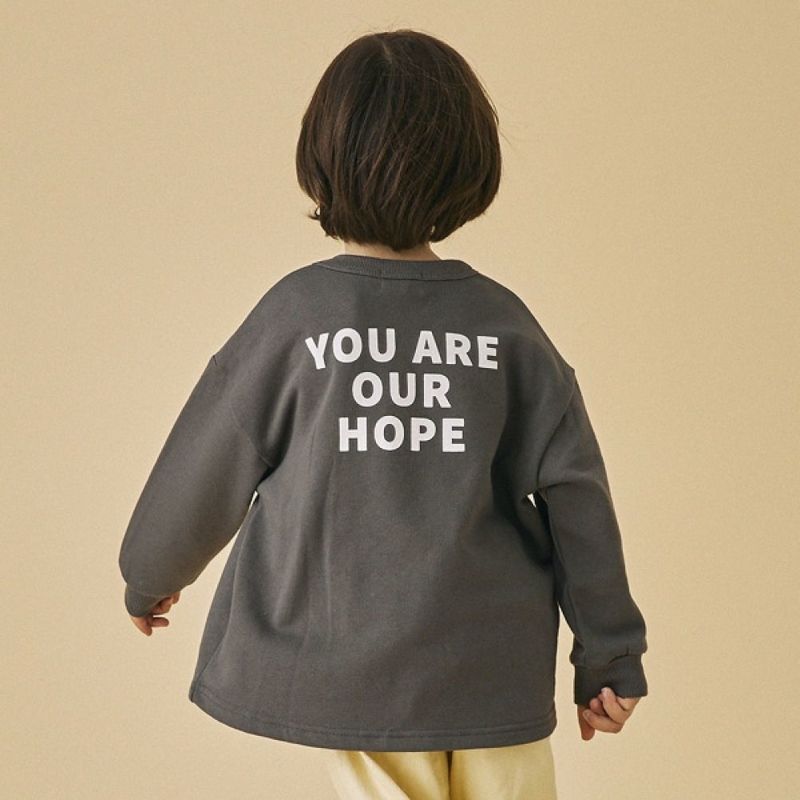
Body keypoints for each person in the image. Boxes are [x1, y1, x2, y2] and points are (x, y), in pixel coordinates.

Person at [118, 28, 648, 800]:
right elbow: (578, 499)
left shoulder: (297, 317)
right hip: (493, 672)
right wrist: (610, 655)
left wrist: (152, 571)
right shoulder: (507, 327)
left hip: (354, 668)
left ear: (322, 158)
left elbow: (215, 452)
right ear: (469, 165)